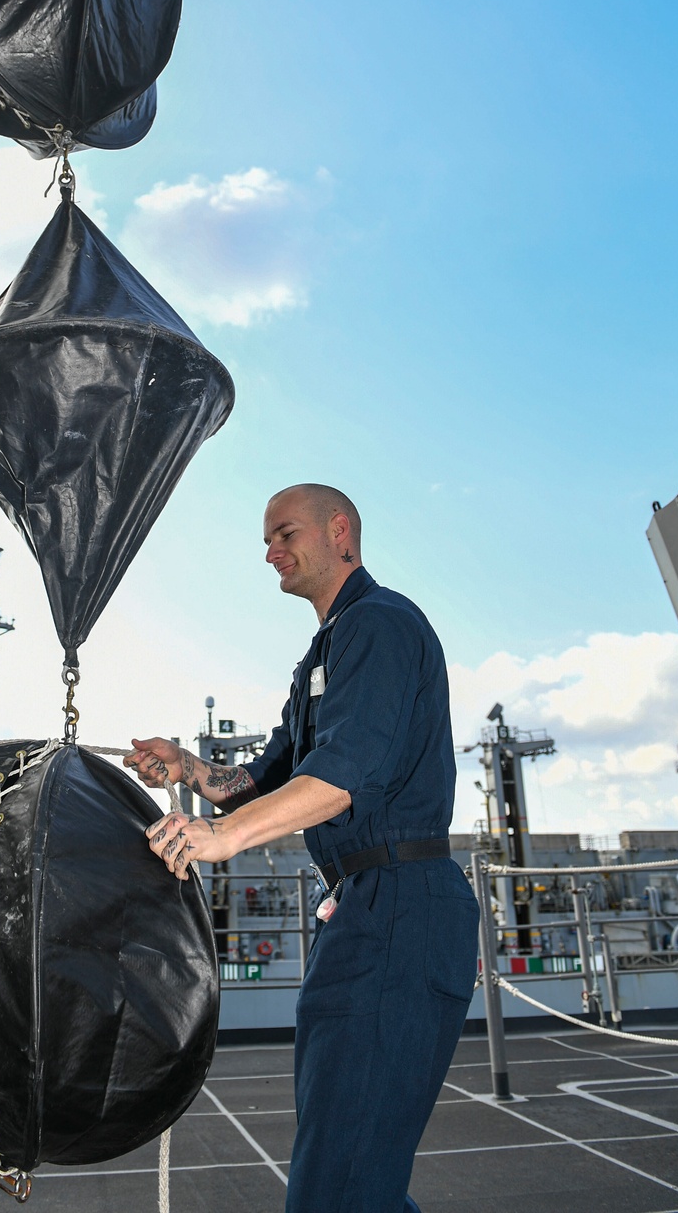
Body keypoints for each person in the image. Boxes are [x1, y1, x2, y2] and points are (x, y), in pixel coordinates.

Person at [124, 483, 480, 1213]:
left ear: (340, 530)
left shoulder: (380, 625)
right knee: (350, 1176)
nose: (270, 551)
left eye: (285, 532)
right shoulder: (323, 652)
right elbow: (262, 778)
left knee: (338, 1187)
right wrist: (188, 768)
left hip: (400, 907)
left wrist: (220, 838)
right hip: (361, 912)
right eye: (266, 539)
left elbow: (344, 774)